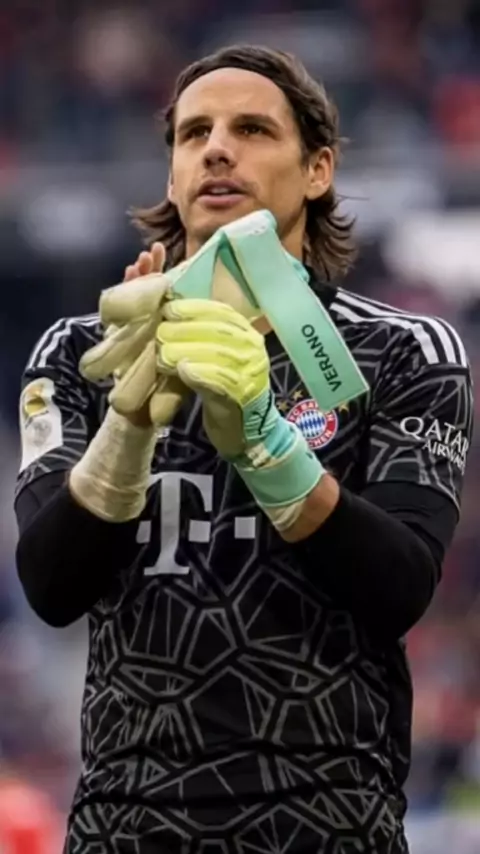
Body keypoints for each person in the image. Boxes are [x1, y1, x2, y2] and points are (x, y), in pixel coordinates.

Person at [14, 44, 473, 854]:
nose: (217, 149)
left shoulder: (405, 351)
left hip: (330, 824)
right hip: (126, 827)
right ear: (172, 176)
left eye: (253, 129)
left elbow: (400, 585)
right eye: (194, 134)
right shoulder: (84, 351)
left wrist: (266, 441)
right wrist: (129, 425)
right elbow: (52, 586)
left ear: (319, 169)